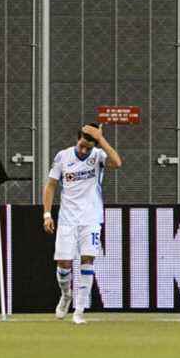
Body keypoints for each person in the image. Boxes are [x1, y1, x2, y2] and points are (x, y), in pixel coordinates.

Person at [43, 123, 123, 325]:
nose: (85, 150)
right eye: (82, 145)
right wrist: (46, 214)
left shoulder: (98, 156)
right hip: (68, 218)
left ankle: (79, 310)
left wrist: (101, 139)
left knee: (87, 261)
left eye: (89, 146)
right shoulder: (63, 156)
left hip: (91, 218)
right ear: (77, 139)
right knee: (64, 263)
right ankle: (66, 295)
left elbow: (117, 162)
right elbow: (51, 185)